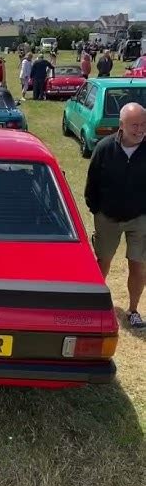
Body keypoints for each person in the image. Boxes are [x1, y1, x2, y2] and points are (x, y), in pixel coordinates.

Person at [84, 102, 146, 328]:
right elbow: (92, 184)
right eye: (135, 125)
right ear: (121, 125)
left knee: (139, 265)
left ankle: (133, 310)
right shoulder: (104, 148)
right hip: (107, 218)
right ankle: (95, 305)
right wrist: (97, 210)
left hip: (140, 219)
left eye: (144, 124)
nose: (140, 129)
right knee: (103, 262)